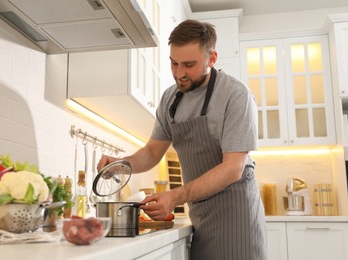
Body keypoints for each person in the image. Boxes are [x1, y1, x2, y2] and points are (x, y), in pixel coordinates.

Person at [97, 19, 268, 260]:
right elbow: (152, 152)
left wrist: (175, 196)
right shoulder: (170, 98)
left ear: (212, 58)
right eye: (174, 63)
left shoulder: (235, 96)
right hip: (199, 215)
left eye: (189, 65)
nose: (180, 73)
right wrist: (120, 165)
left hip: (236, 216)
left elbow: (233, 168)